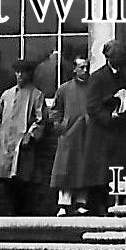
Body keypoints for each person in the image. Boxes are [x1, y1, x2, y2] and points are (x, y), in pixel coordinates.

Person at [85, 40, 126, 213]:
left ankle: (121, 207)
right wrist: (109, 114)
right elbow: (92, 107)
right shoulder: (97, 78)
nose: (119, 61)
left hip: (123, 134)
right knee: (102, 177)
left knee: (123, 173)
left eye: (121, 58)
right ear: (108, 58)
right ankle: (101, 210)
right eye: (116, 58)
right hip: (102, 136)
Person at [0, 58, 51, 214]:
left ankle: (21, 213)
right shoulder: (7, 94)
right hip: (5, 143)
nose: (20, 75)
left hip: (23, 145)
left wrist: (31, 135)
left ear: (30, 74)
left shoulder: (36, 95)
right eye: (17, 72)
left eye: (23, 72)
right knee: (5, 179)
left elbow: (41, 119)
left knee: (22, 180)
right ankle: (10, 213)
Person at [50, 56, 91, 215]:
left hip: (86, 134)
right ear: (74, 69)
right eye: (81, 67)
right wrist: (59, 125)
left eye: (87, 67)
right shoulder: (64, 89)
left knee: (84, 168)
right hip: (68, 135)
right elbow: (55, 110)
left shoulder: (93, 87)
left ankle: (81, 202)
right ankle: (63, 204)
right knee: (66, 168)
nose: (85, 70)